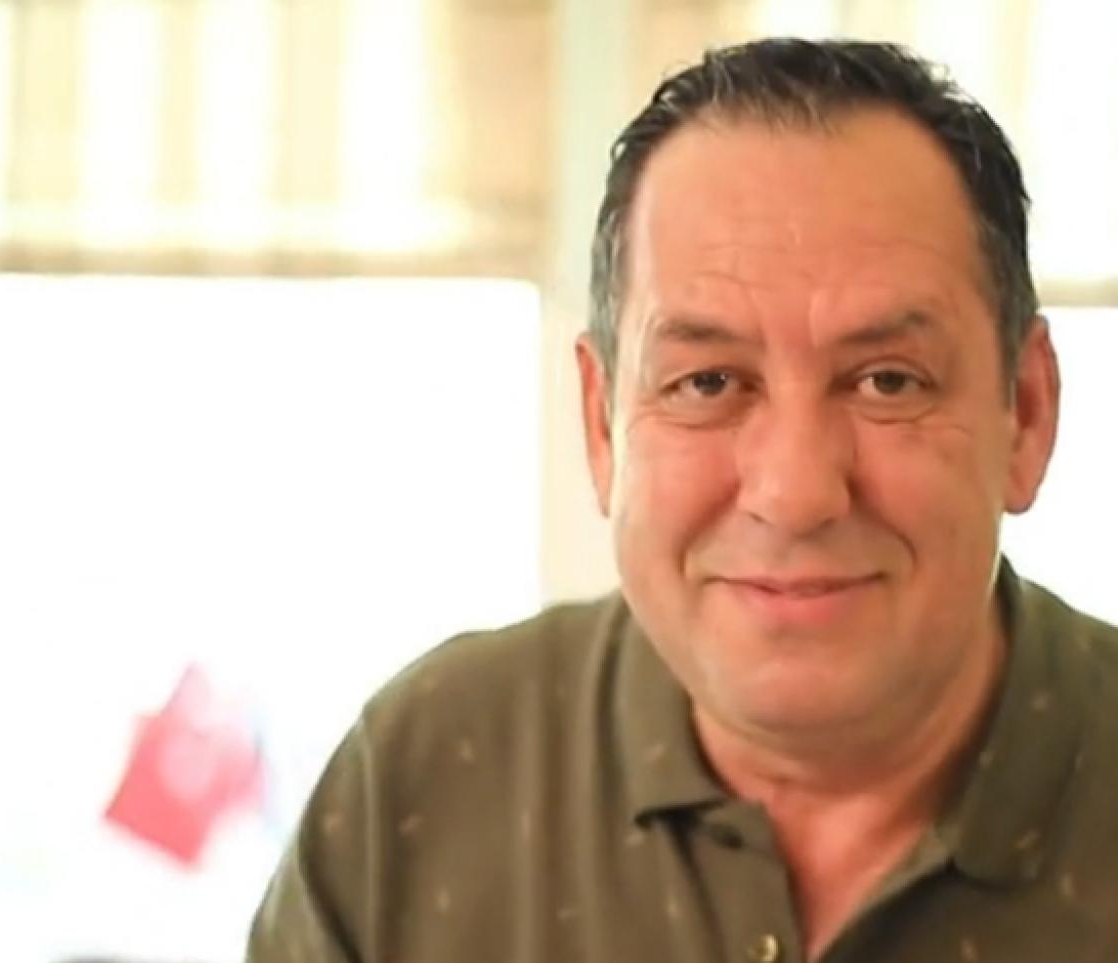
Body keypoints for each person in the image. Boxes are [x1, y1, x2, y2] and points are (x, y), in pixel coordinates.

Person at [246, 38, 1118, 962]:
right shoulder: (419, 781)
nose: (794, 493)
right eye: (707, 383)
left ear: (1026, 413)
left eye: (888, 382)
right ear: (602, 421)